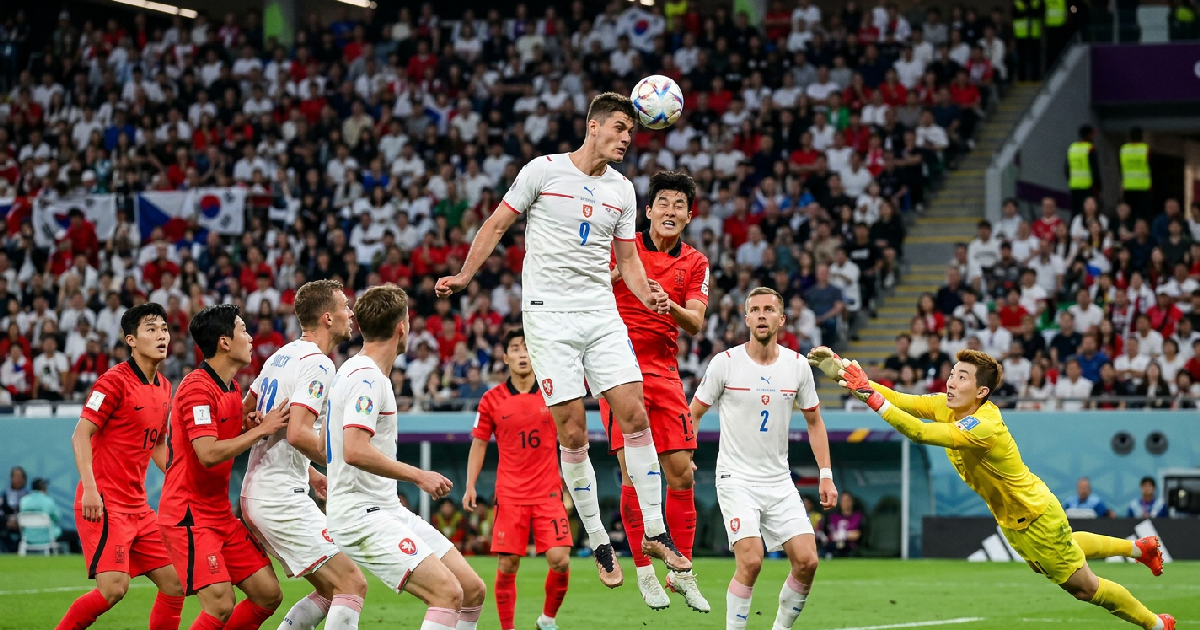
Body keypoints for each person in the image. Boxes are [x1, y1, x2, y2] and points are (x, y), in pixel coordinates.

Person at [435, 92, 687, 587]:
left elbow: (630, 262)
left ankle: (656, 532)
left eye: (631, 132)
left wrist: (648, 294)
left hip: (600, 311)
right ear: (593, 126)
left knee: (634, 412)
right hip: (549, 317)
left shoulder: (624, 190)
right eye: (618, 128)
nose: (625, 138)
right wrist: (466, 276)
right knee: (572, 431)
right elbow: (498, 223)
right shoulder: (543, 171)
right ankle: (598, 538)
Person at [810, 346, 1173, 630]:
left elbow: (918, 432)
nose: (951, 382)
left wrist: (869, 397)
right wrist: (844, 373)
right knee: (1065, 551)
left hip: (1035, 517)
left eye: (962, 377)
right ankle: (1139, 549)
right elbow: (901, 400)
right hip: (1013, 519)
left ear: (981, 391)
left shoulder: (983, 425)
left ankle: (1157, 624)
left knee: (1085, 588)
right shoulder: (945, 406)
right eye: (952, 374)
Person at [324, 284, 487, 630]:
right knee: (447, 594)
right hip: (360, 514)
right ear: (402, 326)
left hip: (385, 508)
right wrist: (418, 475)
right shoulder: (367, 379)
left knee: (472, 590)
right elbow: (354, 449)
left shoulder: (361, 372)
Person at [690, 287, 838, 630]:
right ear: (746, 319)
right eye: (754, 309)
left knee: (807, 561)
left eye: (769, 309)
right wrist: (686, 453)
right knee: (752, 561)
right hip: (735, 479)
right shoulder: (724, 364)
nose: (761, 314)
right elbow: (693, 413)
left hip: (778, 481)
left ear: (781, 319)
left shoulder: (798, 366)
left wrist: (826, 473)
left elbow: (814, 421)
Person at [598, 171, 710, 611]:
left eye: (679, 204)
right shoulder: (623, 247)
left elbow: (697, 322)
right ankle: (645, 572)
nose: (670, 210)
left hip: (664, 372)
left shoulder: (695, 262)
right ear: (647, 211)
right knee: (633, 473)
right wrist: (617, 275)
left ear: (687, 216)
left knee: (681, 473)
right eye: (662, 202)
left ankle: (681, 575)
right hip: (618, 367)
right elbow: (590, 290)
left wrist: (670, 304)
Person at [238, 280, 368, 630]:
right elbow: (297, 432)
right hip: (279, 497)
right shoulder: (318, 364)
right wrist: (342, 460)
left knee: (330, 589)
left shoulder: (282, 355)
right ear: (327, 317)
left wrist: (310, 473)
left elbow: (244, 411)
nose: (351, 313)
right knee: (352, 584)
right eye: (344, 306)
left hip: (265, 490)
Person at [158, 304, 290, 630]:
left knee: (267, 594)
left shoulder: (230, 387)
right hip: (188, 514)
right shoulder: (196, 388)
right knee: (220, 603)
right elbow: (207, 453)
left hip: (218, 512)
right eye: (243, 330)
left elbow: (220, 436)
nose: (250, 337)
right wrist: (261, 430)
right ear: (224, 342)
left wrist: (246, 426)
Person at [56, 303, 186, 630]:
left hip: (139, 507)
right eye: (151, 330)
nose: (162, 336)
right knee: (114, 588)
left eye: (164, 329)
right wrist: (89, 489)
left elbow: (157, 443)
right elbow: (80, 435)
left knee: (177, 582)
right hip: (104, 504)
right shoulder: (112, 382)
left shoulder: (165, 388)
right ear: (131, 339)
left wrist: (180, 480)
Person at [464, 329, 572, 630]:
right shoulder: (491, 399)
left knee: (560, 559)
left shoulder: (555, 394)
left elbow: (574, 437)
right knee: (508, 564)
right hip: (510, 495)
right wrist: (471, 485)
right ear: (506, 357)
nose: (522, 354)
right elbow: (479, 443)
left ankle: (547, 619)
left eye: (527, 348)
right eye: (515, 348)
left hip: (549, 493)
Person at [18, 478, 62, 549]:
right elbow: (57, 517)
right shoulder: (48, 501)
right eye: (45, 486)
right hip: (47, 536)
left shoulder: (23, 501)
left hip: (28, 537)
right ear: (42, 487)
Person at [1065, 126, 1099, 217]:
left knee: (1075, 213)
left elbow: (1066, 169)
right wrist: (1098, 187)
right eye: (1092, 135)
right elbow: (1095, 170)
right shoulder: (1090, 148)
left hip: (1074, 186)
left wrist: (1072, 181)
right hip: (1087, 187)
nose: (1093, 137)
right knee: (1088, 213)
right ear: (1088, 135)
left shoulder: (1072, 148)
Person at [1120, 128, 1152, 223]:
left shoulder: (1124, 149)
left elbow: (1120, 167)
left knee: (1129, 215)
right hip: (1143, 187)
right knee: (1143, 215)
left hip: (1128, 187)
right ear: (1141, 136)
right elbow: (1151, 166)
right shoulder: (1145, 149)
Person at [824, 492, 864, 557]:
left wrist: (844, 535)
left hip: (850, 548)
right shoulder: (833, 516)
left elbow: (857, 534)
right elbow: (829, 534)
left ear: (852, 502)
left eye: (848, 500)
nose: (846, 503)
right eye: (843, 501)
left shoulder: (858, 516)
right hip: (833, 546)